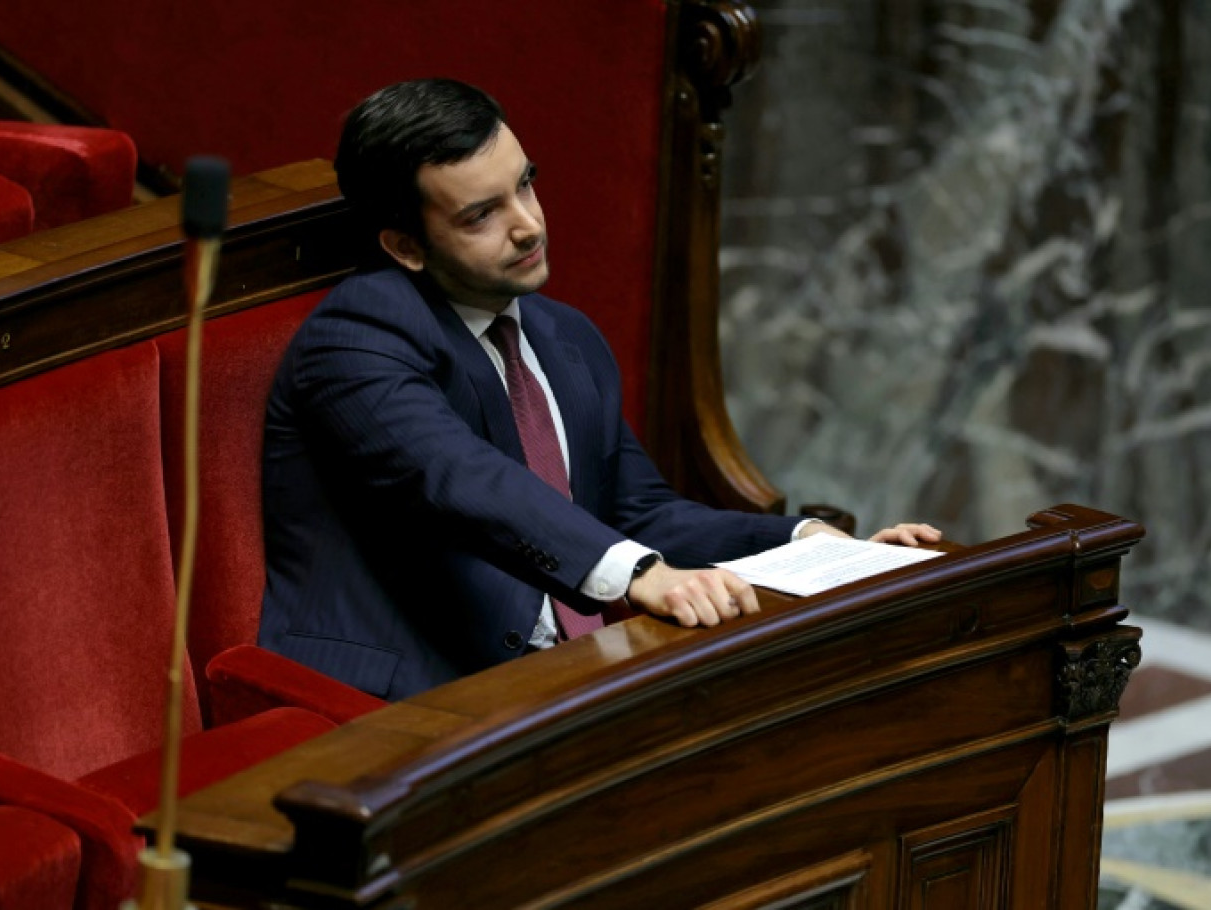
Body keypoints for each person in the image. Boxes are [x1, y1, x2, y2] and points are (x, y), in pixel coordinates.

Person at [257, 79, 939, 699]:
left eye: (524, 185)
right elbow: (461, 478)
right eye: (480, 216)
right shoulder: (356, 336)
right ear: (406, 247)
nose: (527, 223)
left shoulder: (564, 336)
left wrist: (818, 548)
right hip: (390, 705)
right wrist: (645, 578)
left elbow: (640, 517)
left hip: (557, 685)